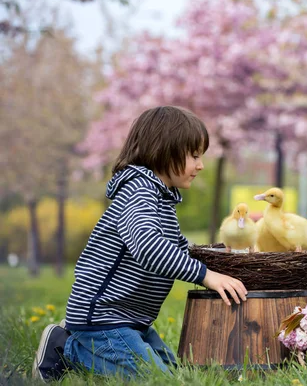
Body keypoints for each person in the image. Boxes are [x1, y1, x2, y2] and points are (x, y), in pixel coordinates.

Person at [32, 106, 248, 382]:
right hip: (104, 319)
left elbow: (179, 247)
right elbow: (149, 247)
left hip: (132, 321)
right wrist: (206, 275)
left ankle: (94, 346)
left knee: (179, 376)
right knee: (154, 379)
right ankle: (66, 347)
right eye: (194, 156)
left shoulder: (161, 197)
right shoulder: (138, 191)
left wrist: (217, 256)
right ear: (163, 150)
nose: (200, 165)